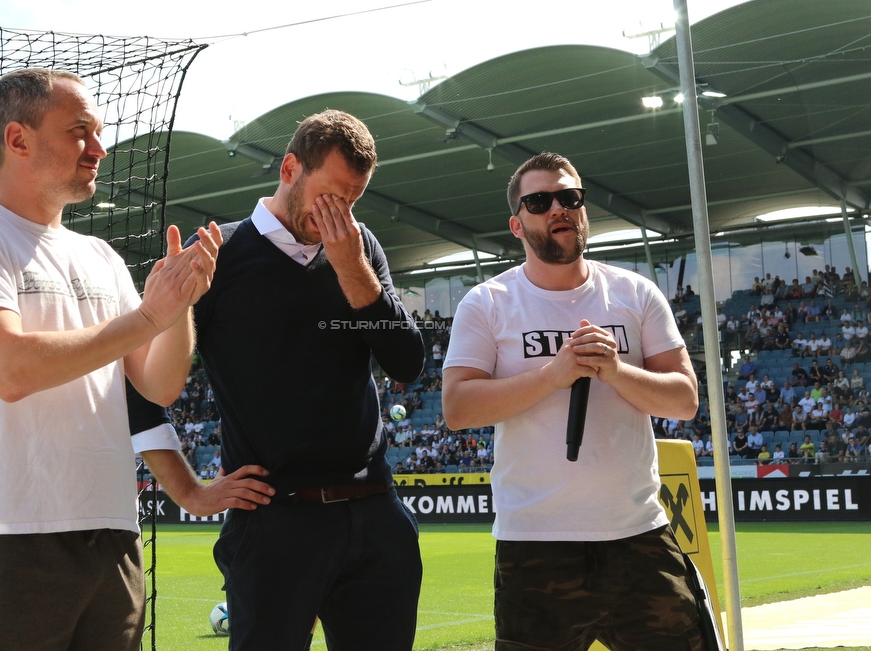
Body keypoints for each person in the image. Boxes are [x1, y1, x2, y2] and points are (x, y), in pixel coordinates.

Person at [0, 69, 274, 651]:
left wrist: (180, 306)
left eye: (98, 132)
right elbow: (10, 369)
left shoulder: (100, 255)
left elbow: (158, 383)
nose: (99, 149)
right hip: (5, 535)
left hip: (112, 536)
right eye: (80, 131)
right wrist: (147, 318)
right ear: (17, 140)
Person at [441, 152, 705, 650]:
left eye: (570, 197)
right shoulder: (488, 302)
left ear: (584, 209)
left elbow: (685, 399)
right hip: (535, 544)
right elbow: (458, 408)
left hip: (639, 535)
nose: (558, 208)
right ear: (517, 225)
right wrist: (554, 374)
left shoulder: (634, 293)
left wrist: (616, 370)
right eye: (540, 201)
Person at [190, 110, 425, 650]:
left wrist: (351, 269)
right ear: (290, 167)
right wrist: (189, 488)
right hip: (275, 520)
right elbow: (143, 383)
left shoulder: (360, 248)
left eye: (354, 199)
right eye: (331, 195)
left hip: (373, 512)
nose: (341, 213)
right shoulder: (218, 254)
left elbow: (408, 363)